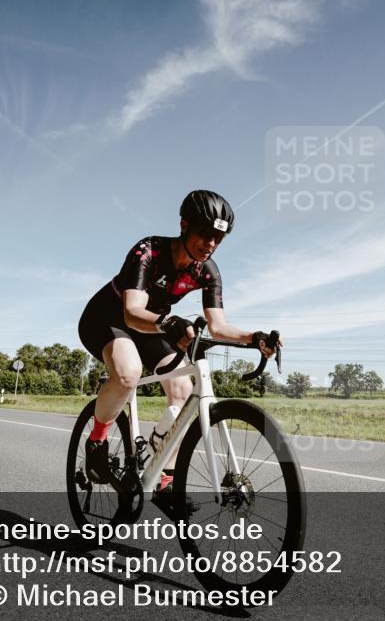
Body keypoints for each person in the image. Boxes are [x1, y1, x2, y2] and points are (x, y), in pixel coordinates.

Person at [77, 190, 280, 508]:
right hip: (107, 318)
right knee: (129, 372)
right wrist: (170, 322)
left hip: (153, 325)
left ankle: (165, 477)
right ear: (184, 225)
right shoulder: (149, 251)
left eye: (218, 238)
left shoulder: (206, 270)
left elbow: (218, 326)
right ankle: (97, 442)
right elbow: (132, 312)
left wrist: (255, 337)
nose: (211, 243)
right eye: (205, 234)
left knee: (185, 390)